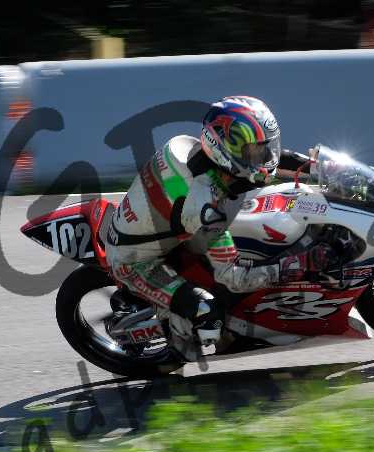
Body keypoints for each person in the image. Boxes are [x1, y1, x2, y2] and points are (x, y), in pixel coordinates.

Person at [100, 96, 337, 362]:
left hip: (172, 234)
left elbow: (267, 165)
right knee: (207, 315)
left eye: (265, 147)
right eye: (255, 151)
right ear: (224, 148)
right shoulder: (204, 205)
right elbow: (234, 278)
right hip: (136, 261)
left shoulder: (206, 159)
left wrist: (320, 167)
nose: (265, 157)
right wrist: (300, 264)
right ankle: (168, 335)